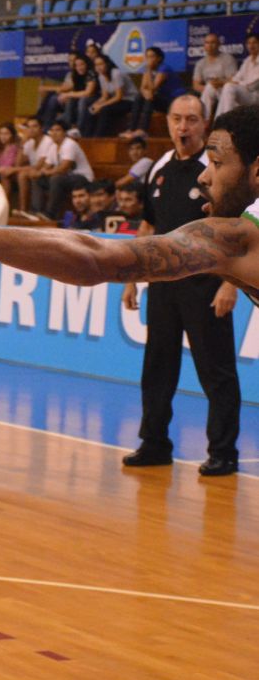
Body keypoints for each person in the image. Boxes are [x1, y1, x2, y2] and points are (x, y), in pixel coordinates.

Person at [0, 103, 259, 483]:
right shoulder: (223, 223)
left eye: (217, 164)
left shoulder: (239, 237)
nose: (205, 176)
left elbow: (95, 258)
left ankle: (220, 450)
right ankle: (155, 441)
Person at [119, 95, 240, 474]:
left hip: (205, 285)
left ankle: (223, 452)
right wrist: (132, 278)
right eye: (176, 119)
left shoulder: (215, 169)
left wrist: (230, 284)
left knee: (216, 371)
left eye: (191, 119)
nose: (182, 127)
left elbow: (234, 231)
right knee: (157, 367)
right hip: (162, 285)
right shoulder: (159, 167)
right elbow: (148, 226)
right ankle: (154, 443)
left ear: (205, 124)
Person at [122, 46, 184, 140]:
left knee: (151, 99)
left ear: (159, 58)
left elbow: (152, 89)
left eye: (152, 56)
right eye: (147, 57)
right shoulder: (148, 69)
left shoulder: (164, 69)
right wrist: (146, 93)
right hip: (159, 99)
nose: (149, 59)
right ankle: (131, 129)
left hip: (173, 102)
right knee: (139, 97)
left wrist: (148, 71)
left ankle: (143, 130)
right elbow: (142, 88)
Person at [39, 121, 95, 220]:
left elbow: (64, 168)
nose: (54, 133)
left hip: (82, 178)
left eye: (58, 130)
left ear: (64, 132)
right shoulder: (53, 147)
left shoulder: (70, 144)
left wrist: (46, 172)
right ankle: (37, 210)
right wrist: (38, 173)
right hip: (67, 179)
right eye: (52, 130)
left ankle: (50, 214)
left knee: (56, 179)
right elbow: (46, 166)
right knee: (39, 179)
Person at [14, 116, 55, 219]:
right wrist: (22, 144)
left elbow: (39, 165)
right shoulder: (29, 142)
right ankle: (23, 210)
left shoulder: (48, 141)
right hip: (35, 171)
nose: (31, 130)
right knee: (21, 174)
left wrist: (12, 170)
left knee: (23, 175)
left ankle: (24, 209)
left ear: (41, 128)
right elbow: (18, 163)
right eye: (28, 127)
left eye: (34, 126)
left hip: (48, 171)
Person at [87, 54, 137, 137]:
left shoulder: (116, 73)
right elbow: (104, 96)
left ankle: (99, 137)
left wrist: (101, 106)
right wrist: (96, 104)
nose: (98, 67)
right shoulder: (101, 76)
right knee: (91, 109)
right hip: (117, 100)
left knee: (105, 110)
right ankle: (87, 137)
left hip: (130, 100)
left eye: (101, 64)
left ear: (107, 64)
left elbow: (118, 96)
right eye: (96, 65)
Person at [192, 32, 238, 121]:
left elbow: (233, 80)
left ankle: (220, 122)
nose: (210, 45)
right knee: (209, 88)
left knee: (213, 88)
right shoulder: (200, 63)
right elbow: (195, 85)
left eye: (213, 42)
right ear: (204, 45)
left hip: (224, 88)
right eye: (207, 43)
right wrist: (210, 87)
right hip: (209, 90)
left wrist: (218, 83)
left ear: (218, 44)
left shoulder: (228, 59)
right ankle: (204, 121)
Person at [215, 32, 259, 118]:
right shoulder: (248, 60)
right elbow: (237, 78)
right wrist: (224, 82)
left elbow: (253, 86)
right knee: (221, 88)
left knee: (229, 87)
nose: (251, 46)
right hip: (246, 93)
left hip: (256, 95)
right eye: (249, 43)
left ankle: (227, 120)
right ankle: (218, 120)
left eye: (254, 42)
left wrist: (236, 83)